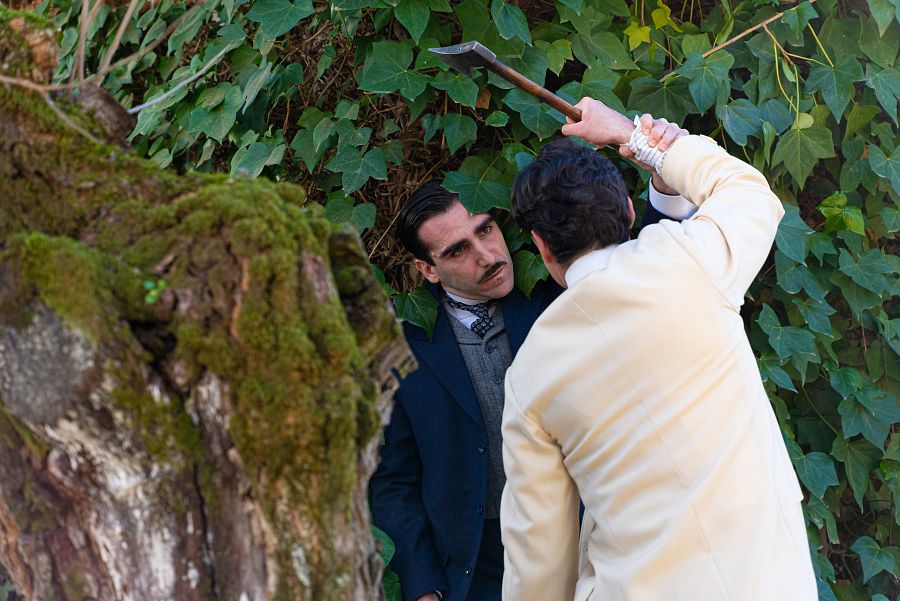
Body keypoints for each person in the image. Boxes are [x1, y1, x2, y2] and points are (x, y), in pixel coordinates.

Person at [500, 97, 817, 601]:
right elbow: (747, 193)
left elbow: (537, 558)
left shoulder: (527, 376)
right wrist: (638, 140)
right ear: (629, 210)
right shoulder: (690, 260)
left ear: (540, 245)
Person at [369, 117, 691, 601]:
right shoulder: (404, 348)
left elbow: (639, 263)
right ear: (426, 270)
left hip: (588, 537)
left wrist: (665, 188)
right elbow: (393, 480)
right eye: (458, 250)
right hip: (472, 564)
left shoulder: (553, 291)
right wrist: (424, 585)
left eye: (486, 230)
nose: (486, 255)